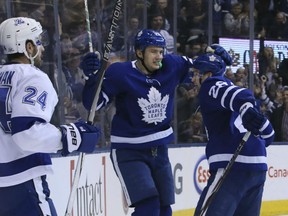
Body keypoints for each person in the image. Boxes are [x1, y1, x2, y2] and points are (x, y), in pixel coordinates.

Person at [80, 29, 194, 216]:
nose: (159, 57)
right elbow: (94, 103)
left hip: (160, 149)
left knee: (165, 210)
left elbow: (200, 68)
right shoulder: (120, 73)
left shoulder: (172, 65)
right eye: (153, 52)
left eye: (161, 51)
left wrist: (216, 61)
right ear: (139, 53)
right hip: (129, 151)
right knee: (148, 208)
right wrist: (91, 78)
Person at [0, 17, 100, 216]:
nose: (42, 48)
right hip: (22, 181)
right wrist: (73, 137)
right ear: (28, 46)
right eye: (39, 41)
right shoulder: (32, 77)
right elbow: (26, 132)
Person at [192, 45, 275, 216]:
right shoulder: (230, 99)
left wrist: (245, 107)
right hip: (258, 168)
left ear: (207, 74)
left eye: (196, 74)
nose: (193, 79)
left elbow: (241, 96)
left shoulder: (211, 85)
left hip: (231, 167)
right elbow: (269, 134)